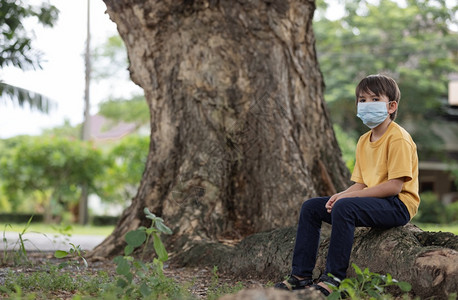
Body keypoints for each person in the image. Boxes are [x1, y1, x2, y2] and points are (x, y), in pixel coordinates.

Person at [274, 74, 420, 296]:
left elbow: (394, 187)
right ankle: (301, 276)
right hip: (375, 201)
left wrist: (346, 200)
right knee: (312, 207)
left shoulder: (398, 138)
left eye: (374, 99)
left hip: (398, 205)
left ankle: (333, 279)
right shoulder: (364, 140)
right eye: (362, 100)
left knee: (345, 206)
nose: (366, 105)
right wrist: (339, 195)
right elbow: (361, 184)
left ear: (391, 106)